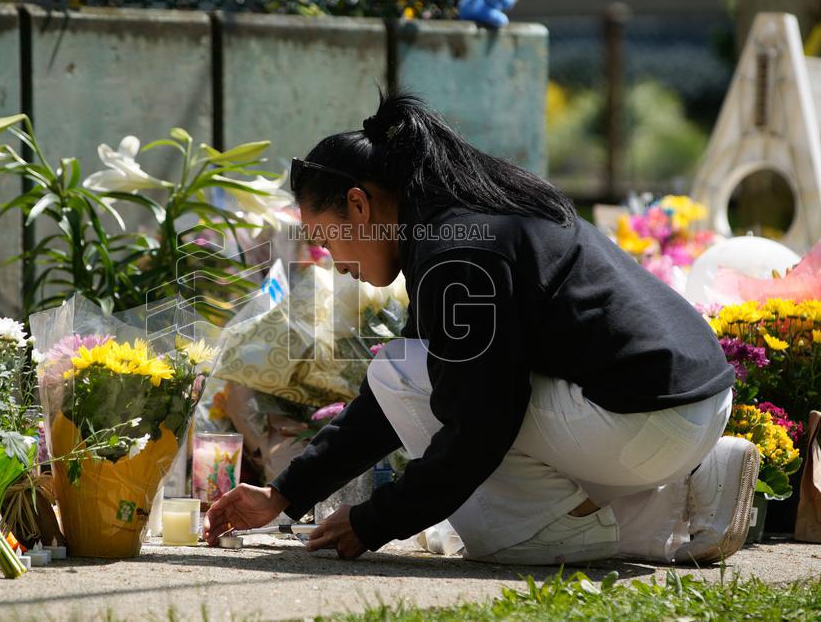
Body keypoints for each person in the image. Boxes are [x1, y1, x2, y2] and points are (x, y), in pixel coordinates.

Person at [203, 92, 758, 565]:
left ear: (359, 204)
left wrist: (376, 520)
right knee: (412, 377)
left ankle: (665, 517)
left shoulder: (454, 251)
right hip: (689, 405)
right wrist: (286, 492)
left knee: (499, 531)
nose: (332, 260)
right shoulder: (462, 215)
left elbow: (481, 420)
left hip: (645, 420)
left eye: (327, 236)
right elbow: (419, 392)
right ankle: (694, 482)